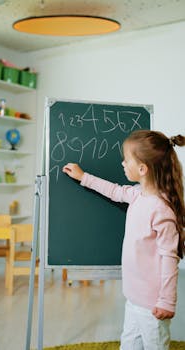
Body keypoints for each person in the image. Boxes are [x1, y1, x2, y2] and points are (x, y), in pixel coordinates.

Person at [62, 130, 185, 350]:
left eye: (126, 159)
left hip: (152, 305)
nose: (122, 163)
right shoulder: (138, 195)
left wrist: (167, 301)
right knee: (128, 344)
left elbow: (169, 258)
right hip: (134, 297)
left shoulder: (160, 209)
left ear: (142, 169)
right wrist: (83, 177)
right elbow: (114, 191)